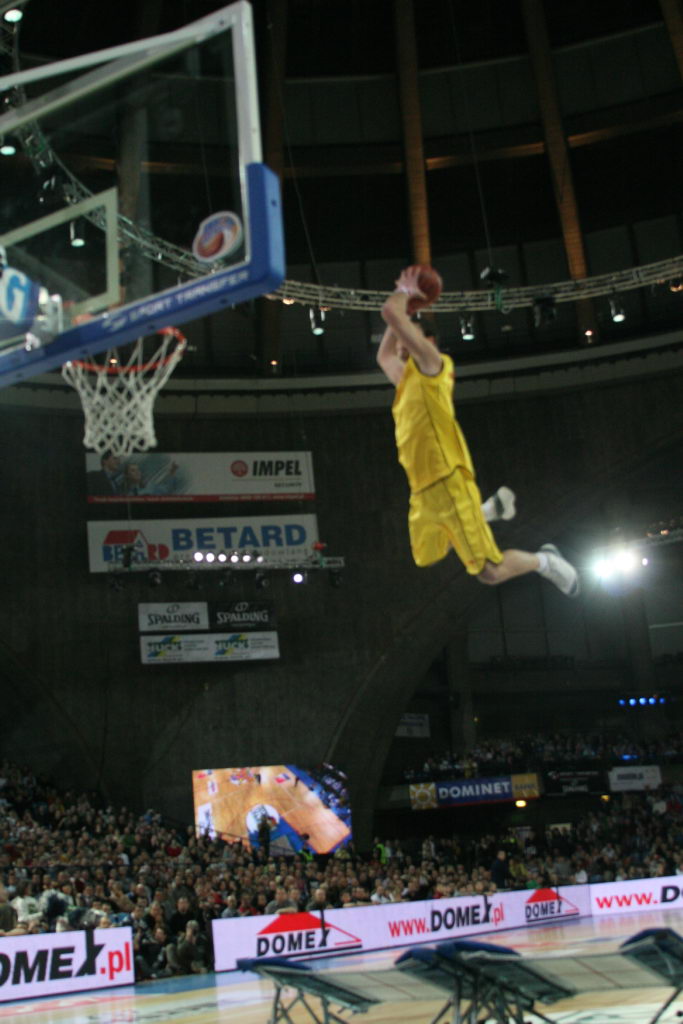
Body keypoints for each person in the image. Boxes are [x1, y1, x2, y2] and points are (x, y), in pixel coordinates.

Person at [377, 266, 579, 597]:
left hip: (448, 480)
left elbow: (390, 312)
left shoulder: (433, 366)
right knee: (426, 556)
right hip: (421, 490)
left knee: (489, 573)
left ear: (427, 341)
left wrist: (404, 293)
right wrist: (406, 312)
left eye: (405, 335)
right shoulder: (405, 381)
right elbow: (384, 354)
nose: (399, 342)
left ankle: (545, 561)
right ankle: (486, 512)